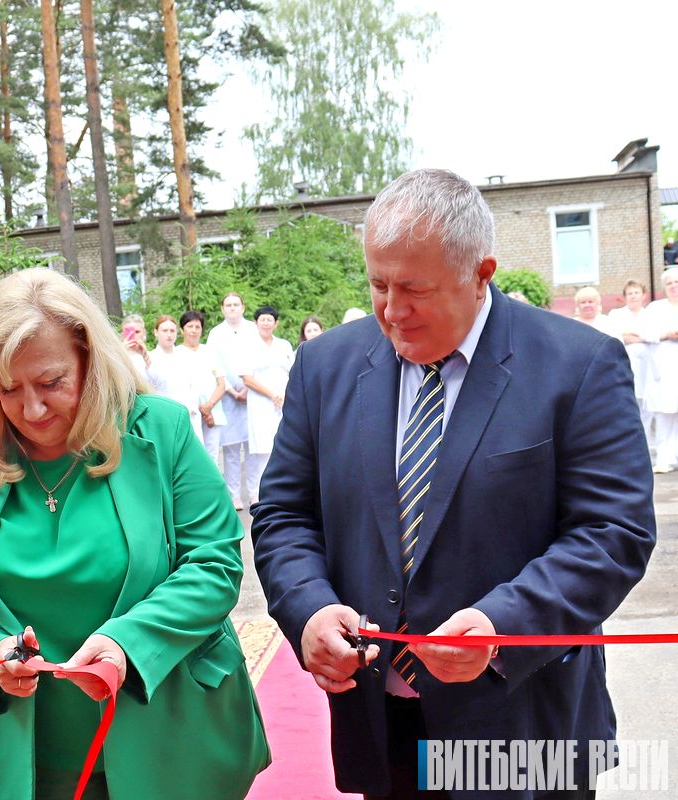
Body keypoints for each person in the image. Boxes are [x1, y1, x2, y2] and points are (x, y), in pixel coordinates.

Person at [251, 169, 655, 799]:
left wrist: (500, 624)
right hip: (382, 721)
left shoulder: (576, 365)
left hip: (519, 721)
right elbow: (284, 515)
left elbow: (612, 533)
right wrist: (307, 608)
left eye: (415, 289)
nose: (391, 310)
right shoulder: (324, 367)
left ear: (481, 272)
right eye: (378, 284)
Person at [0, 268, 269, 800]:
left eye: (52, 383)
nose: (31, 410)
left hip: (172, 735)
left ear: (91, 358)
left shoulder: (159, 429)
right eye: (8, 389)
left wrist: (128, 641)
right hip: (37, 759)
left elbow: (215, 565)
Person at [206, 292, 258, 509]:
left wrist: (247, 387)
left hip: (254, 394)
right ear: (222, 309)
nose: (233, 308)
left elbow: (257, 357)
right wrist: (230, 389)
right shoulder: (215, 334)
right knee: (231, 450)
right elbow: (213, 364)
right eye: (228, 305)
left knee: (254, 447)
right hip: (226, 397)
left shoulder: (252, 330)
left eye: (236, 304)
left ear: (243, 307)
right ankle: (234, 494)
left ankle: (256, 493)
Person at [240, 305, 295, 504]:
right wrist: (272, 394)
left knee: (283, 444)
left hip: (284, 401)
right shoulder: (248, 346)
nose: (266, 323)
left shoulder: (283, 345)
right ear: (256, 323)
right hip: (260, 402)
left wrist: (284, 394)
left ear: (276, 323)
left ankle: (281, 490)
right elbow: (247, 378)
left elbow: (293, 372)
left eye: (269, 319)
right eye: (262, 319)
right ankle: (257, 493)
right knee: (261, 450)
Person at [609, 279, 654, 455]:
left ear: (643, 295)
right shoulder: (616, 314)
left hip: (648, 368)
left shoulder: (650, 314)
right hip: (626, 365)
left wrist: (635, 335)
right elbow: (618, 336)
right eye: (630, 293)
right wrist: (643, 336)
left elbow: (655, 334)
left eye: (636, 292)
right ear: (624, 297)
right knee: (628, 404)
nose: (633, 296)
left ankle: (648, 446)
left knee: (647, 407)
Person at [178, 310, 227, 460]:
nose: (193, 331)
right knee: (193, 455)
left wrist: (209, 406)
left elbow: (221, 383)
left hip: (213, 410)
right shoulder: (176, 353)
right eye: (190, 326)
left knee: (212, 456)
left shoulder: (209, 352)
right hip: (190, 411)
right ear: (182, 330)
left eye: (197, 327)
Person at [643, 267, 678, 473]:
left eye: (677, 282)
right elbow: (645, 333)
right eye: (670, 283)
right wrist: (667, 334)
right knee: (665, 415)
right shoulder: (656, 309)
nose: (674, 287)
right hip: (663, 371)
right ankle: (664, 458)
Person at [147, 314, 200, 434]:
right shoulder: (150, 358)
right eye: (164, 330)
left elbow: (195, 385)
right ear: (156, 332)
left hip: (189, 414)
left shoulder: (187, 355)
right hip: (165, 415)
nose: (169, 334)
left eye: (172, 330)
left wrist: (190, 408)